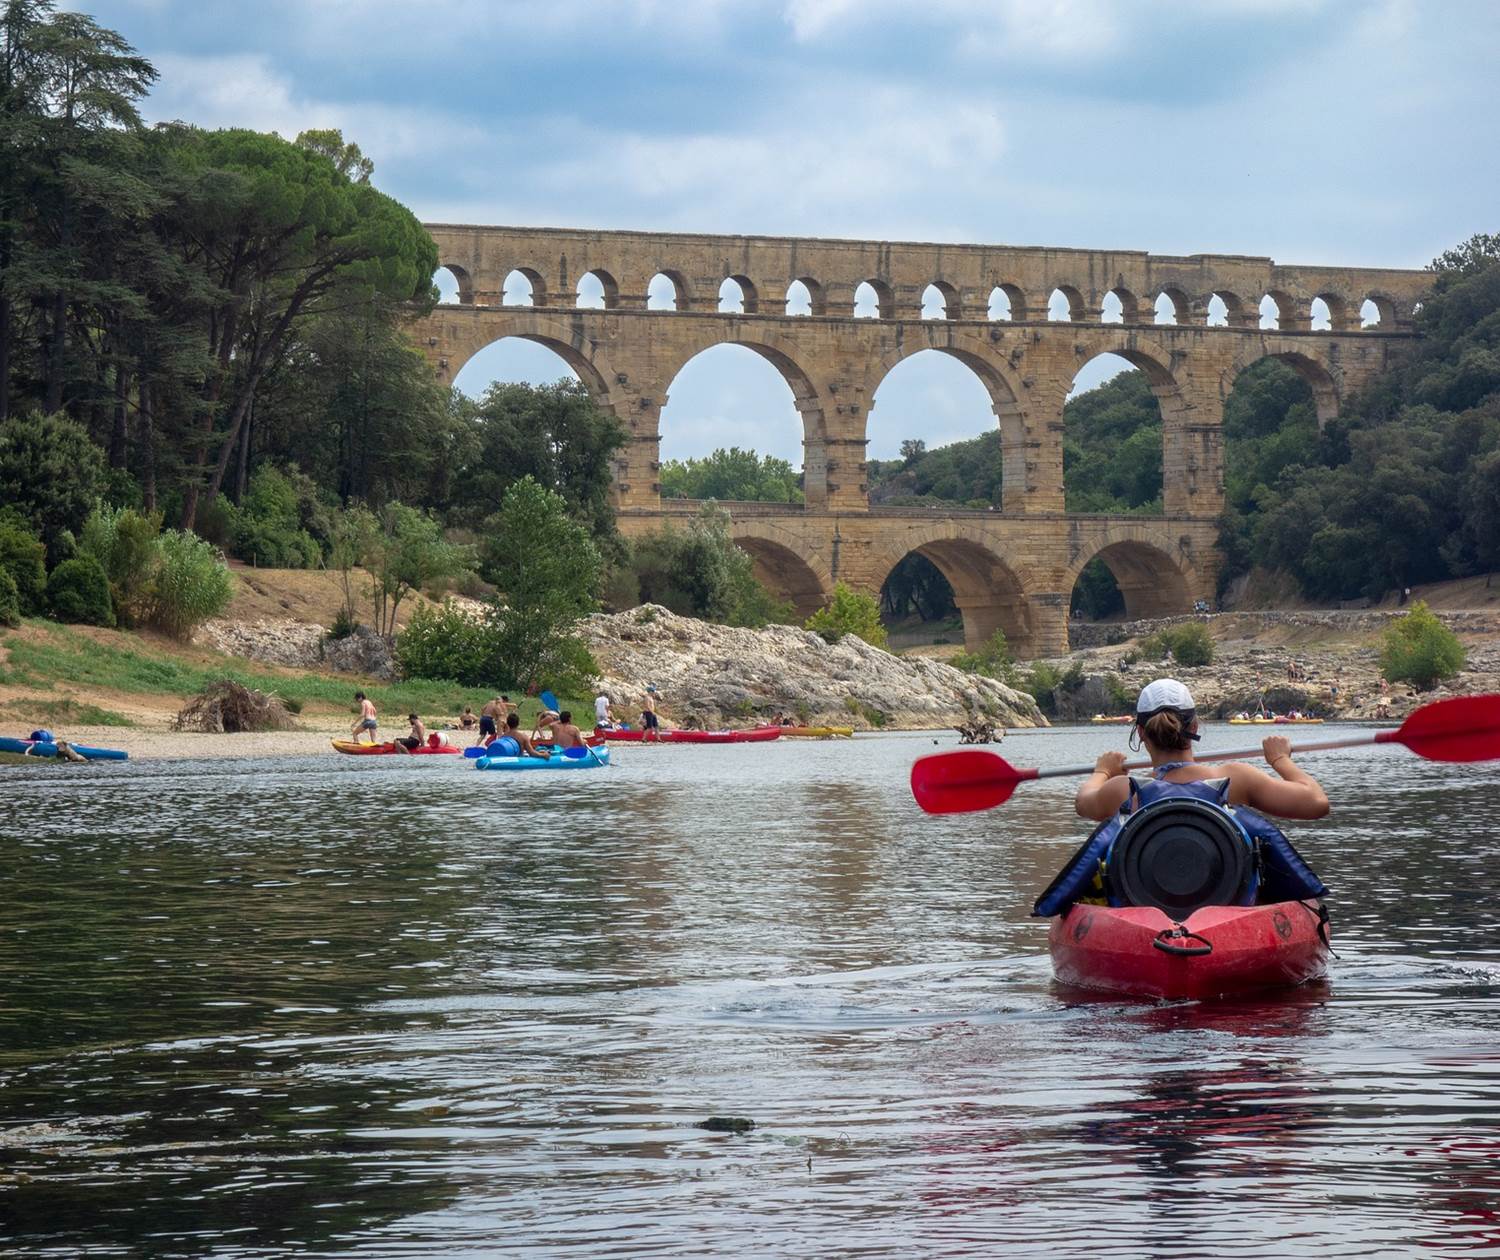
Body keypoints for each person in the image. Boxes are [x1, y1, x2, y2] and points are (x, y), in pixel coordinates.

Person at [1075, 678, 1329, 823]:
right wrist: (1279, 759)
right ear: (1195, 725)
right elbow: (1316, 803)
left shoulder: (1122, 789)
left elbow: (1083, 802)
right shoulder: (1236, 779)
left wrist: (1103, 771)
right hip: (1223, 902)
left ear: (1141, 733)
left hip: (1150, 902)